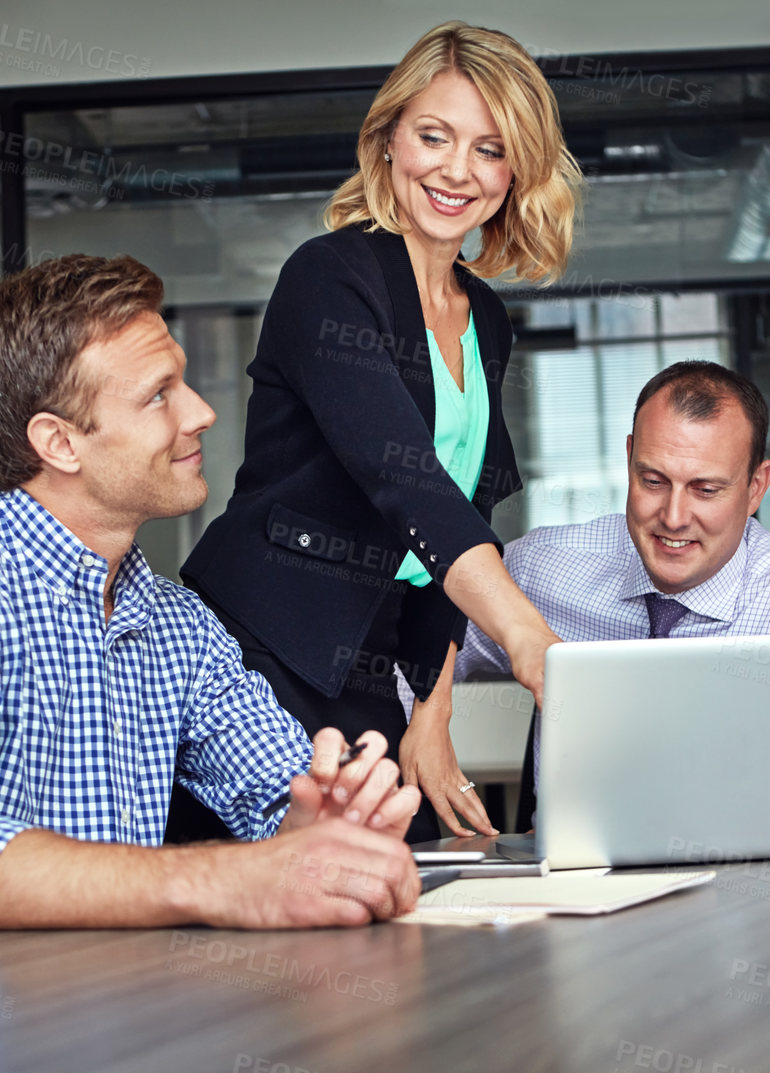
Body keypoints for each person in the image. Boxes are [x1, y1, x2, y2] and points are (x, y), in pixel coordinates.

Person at [0, 254, 424, 947]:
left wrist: (321, 826)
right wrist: (222, 880)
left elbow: (278, 794)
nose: (201, 412)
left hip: (115, 1007)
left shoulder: (176, 622)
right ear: (59, 443)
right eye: (160, 394)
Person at [181, 20, 583, 842]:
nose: (456, 171)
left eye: (490, 149)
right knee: (312, 896)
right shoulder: (328, 278)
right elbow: (410, 487)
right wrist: (523, 633)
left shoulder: (486, 318)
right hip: (265, 642)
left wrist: (431, 717)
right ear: (389, 138)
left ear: (516, 172)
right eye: (434, 136)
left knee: (412, 874)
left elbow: (457, 522)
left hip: (371, 653)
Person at [440, 360, 770, 832]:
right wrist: (430, 721)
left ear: (756, 488)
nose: (673, 517)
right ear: (629, 457)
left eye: (705, 490)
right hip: (574, 881)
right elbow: (412, 646)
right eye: (653, 481)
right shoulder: (541, 568)